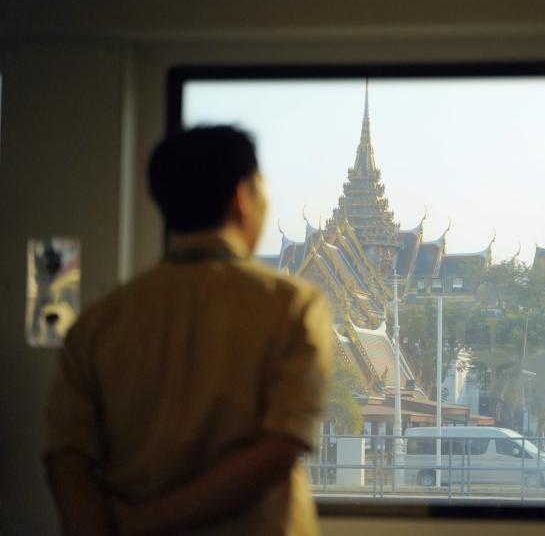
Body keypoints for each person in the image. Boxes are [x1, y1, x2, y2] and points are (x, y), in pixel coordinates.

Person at [44, 126, 334, 536]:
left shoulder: (98, 322)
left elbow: (67, 458)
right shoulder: (292, 306)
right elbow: (279, 450)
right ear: (241, 198)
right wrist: (144, 522)